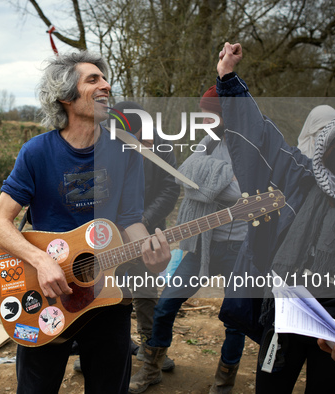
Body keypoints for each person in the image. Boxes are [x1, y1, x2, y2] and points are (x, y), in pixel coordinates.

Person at [215, 42, 335, 393]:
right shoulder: (300, 174)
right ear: (327, 145)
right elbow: (260, 135)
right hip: (285, 310)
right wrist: (229, 79)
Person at [0, 51, 171, 394]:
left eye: (105, 78)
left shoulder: (125, 151)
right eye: (93, 80)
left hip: (108, 294)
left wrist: (153, 253)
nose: (106, 85)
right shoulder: (36, 152)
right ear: (66, 96)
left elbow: (131, 220)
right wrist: (41, 262)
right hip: (45, 295)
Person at [128, 87, 246, 394]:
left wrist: (211, 179)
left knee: (235, 318)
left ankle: (224, 382)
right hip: (202, 243)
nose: (204, 119)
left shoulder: (248, 147)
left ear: (226, 115)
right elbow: (188, 178)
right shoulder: (207, 143)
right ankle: (151, 369)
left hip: (240, 247)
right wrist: (219, 178)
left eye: (210, 114)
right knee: (166, 305)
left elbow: (232, 191)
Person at [70, 101, 180, 373]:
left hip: (145, 234)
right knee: (100, 293)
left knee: (144, 294)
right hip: (106, 237)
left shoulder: (162, 147)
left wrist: (138, 223)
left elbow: (169, 190)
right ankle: (93, 353)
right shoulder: (105, 144)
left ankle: (151, 351)